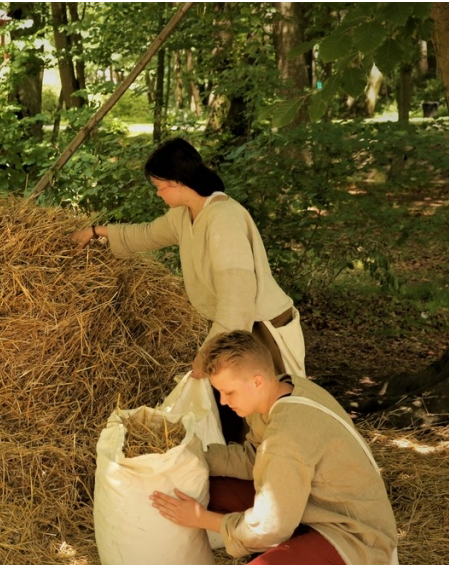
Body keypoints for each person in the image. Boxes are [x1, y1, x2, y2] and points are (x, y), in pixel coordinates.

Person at [149, 330, 398, 565]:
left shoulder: (287, 437)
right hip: (314, 509)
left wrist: (202, 518)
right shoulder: (285, 388)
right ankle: (294, 561)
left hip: (352, 535)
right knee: (210, 485)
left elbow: (270, 527)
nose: (223, 402)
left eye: (228, 393)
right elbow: (256, 458)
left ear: (256, 381)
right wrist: (192, 456)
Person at [71, 138, 304, 439]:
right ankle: (241, 471)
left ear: (177, 182)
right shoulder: (185, 214)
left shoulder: (223, 219)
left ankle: (280, 474)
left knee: (268, 410)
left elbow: (237, 299)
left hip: (258, 328)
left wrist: (208, 351)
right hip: (231, 326)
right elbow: (146, 235)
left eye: (159, 185)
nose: (157, 192)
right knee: (233, 407)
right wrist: (95, 232)